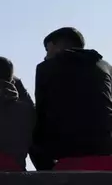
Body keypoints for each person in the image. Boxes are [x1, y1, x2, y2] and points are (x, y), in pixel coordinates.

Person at [31, 27, 112, 170]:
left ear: (56, 46)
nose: (45, 55)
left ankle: (48, 175)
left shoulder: (46, 68)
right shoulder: (106, 68)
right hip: (105, 148)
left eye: (47, 49)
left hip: (65, 150)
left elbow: (41, 114)